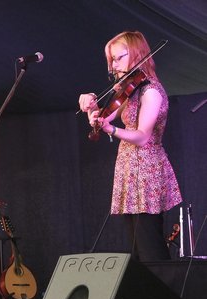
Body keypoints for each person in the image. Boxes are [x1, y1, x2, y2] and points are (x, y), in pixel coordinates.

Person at [78, 31, 182, 261]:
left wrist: (111, 130)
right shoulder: (130, 89)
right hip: (130, 169)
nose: (114, 65)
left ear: (136, 54)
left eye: (118, 58)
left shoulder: (151, 91)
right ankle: (148, 295)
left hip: (147, 171)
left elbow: (143, 136)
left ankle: (162, 296)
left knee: (150, 247)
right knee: (137, 249)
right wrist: (90, 106)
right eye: (111, 60)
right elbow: (102, 118)